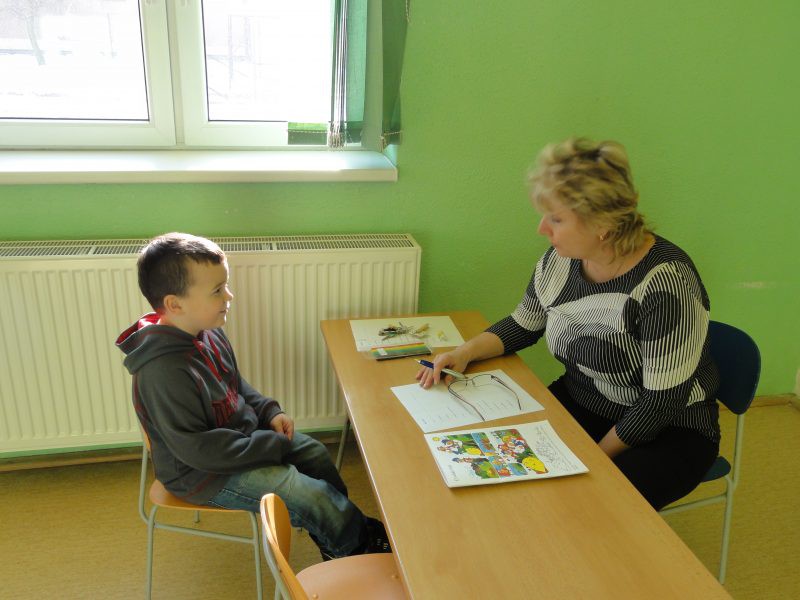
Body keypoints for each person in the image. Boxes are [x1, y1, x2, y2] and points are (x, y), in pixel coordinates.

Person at [417, 137, 721, 510]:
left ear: (602, 224)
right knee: (496, 467)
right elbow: (524, 323)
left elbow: (660, 403)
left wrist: (592, 459)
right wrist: (465, 352)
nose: (542, 229)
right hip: (582, 403)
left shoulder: (666, 284)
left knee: (584, 506)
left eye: (556, 219)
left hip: (669, 431)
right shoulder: (561, 260)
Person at [116, 232, 389, 559]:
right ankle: (356, 548)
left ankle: (342, 536)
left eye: (226, 285)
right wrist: (270, 446)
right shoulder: (163, 372)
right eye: (217, 290)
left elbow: (235, 386)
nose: (229, 296)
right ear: (176, 304)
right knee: (309, 495)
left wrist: (269, 411)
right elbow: (199, 450)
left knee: (316, 455)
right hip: (203, 473)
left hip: (241, 442)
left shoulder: (208, 332)